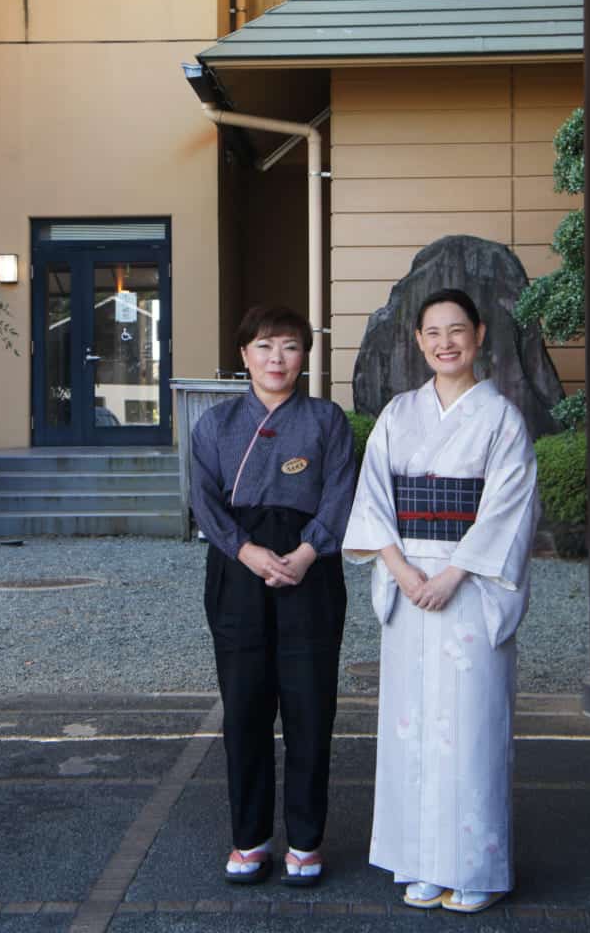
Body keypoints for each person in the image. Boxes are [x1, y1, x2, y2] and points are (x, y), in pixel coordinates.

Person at [342, 288, 539, 914]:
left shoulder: (502, 419)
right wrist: (400, 570)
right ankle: (421, 860)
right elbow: (373, 500)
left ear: (479, 335)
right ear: (419, 341)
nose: (445, 342)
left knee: (473, 729)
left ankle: (475, 865)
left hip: (470, 588)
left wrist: (451, 576)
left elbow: (508, 510)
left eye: (457, 330)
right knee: (411, 731)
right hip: (409, 585)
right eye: (433, 332)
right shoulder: (399, 415)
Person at [191, 305, 356, 887]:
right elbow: (205, 502)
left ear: (305, 354)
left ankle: (307, 840)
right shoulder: (214, 423)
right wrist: (247, 551)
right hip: (239, 567)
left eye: (288, 346)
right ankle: (250, 837)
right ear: (243, 356)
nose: (276, 359)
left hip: (310, 567)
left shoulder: (327, 419)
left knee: (311, 706)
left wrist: (308, 552)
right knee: (246, 707)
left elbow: (340, 493)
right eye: (263, 347)